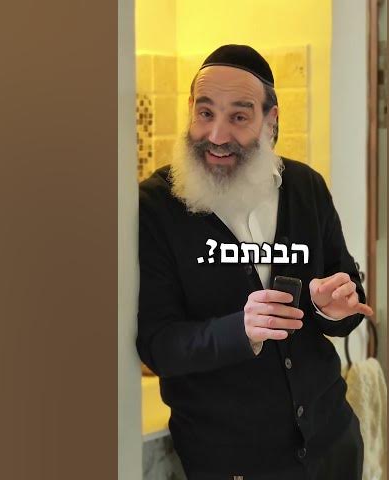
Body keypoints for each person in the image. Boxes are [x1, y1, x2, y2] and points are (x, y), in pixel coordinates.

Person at [137, 44, 374, 480]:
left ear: (271, 120)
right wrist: (239, 331)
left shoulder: (306, 187)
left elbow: (349, 295)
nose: (217, 135)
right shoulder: (155, 206)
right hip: (233, 464)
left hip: (333, 449)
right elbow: (157, 344)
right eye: (205, 113)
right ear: (190, 110)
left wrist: (332, 309)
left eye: (239, 117)